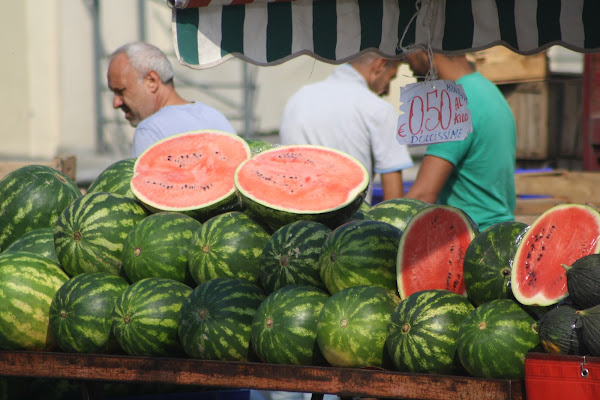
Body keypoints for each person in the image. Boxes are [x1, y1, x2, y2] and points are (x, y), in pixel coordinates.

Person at [403, 50, 517, 231]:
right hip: (499, 235)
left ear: (425, 50)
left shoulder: (457, 103)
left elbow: (423, 196)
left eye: (408, 49)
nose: (405, 59)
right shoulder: (488, 90)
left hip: (471, 240)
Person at [279, 53, 414, 205]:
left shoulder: (297, 99)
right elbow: (394, 204)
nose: (387, 90)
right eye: (391, 78)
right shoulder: (378, 109)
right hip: (351, 224)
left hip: (296, 219)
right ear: (380, 65)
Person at [107, 42, 237, 157]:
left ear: (151, 81)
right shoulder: (214, 116)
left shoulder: (149, 130)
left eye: (121, 91)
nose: (116, 103)